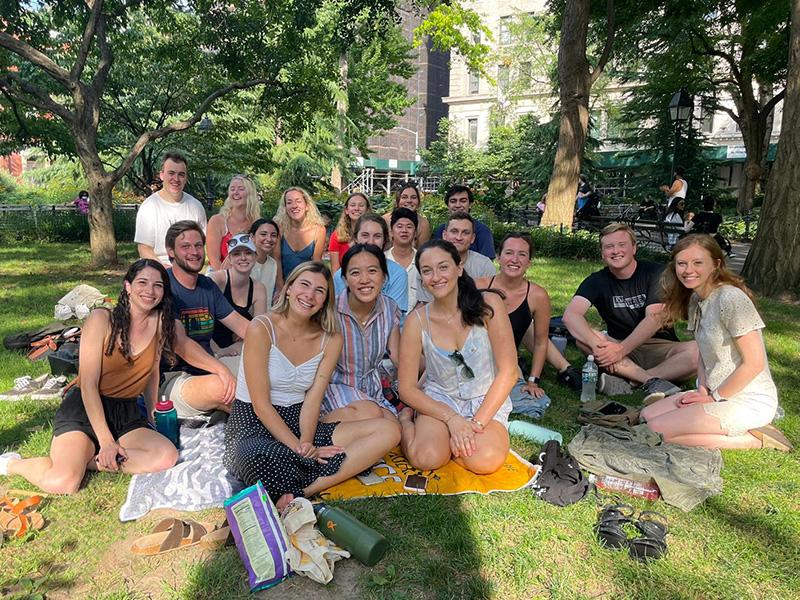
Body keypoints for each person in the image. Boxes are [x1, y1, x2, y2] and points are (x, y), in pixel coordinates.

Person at [223, 262, 401, 510]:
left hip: (300, 420)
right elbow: (261, 406)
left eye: (320, 290)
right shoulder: (261, 328)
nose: (309, 295)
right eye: (304, 285)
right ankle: (314, 471)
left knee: (388, 432)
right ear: (288, 288)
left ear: (326, 300)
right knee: (258, 458)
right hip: (254, 422)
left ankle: (304, 490)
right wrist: (301, 450)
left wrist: (307, 443)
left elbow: (313, 399)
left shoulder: (330, 338)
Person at [0, 260, 179, 494]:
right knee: (63, 482)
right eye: (142, 282)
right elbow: (88, 384)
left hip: (125, 412)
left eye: (158, 285)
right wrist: (106, 441)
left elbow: (152, 373)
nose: (150, 291)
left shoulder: (161, 324)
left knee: (166, 457)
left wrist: (153, 412)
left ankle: (90, 461)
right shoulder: (102, 319)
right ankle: (12, 463)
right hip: (85, 407)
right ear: (127, 286)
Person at [639, 234, 791, 451]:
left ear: (716, 264)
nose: (688, 270)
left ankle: (753, 439)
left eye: (697, 262)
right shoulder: (695, 300)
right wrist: (702, 390)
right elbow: (703, 351)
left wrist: (714, 398)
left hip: (746, 400)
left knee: (656, 431)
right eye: (682, 263)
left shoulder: (731, 299)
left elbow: (755, 364)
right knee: (646, 416)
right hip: (713, 393)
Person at [397, 239, 518, 474]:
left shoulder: (489, 304)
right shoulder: (417, 320)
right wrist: (452, 419)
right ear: (421, 278)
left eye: (443, 267)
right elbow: (407, 389)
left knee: (485, 461)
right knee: (426, 458)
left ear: (459, 268)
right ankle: (406, 421)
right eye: (427, 271)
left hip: (484, 398)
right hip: (441, 400)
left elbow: (509, 372)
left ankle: (452, 445)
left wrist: (475, 424)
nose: (436, 276)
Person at [563, 223, 698, 396]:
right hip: (618, 345)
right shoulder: (596, 281)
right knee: (584, 339)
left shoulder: (656, 272)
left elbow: (655, 318)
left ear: (634, 248)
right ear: (602, 254)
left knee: (698, 351)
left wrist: (621, 350)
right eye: (609, 247)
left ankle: (633, 381)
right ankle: (650, 381)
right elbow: (571, 315)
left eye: (622, 245)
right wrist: (605, 348)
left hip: (659, 346)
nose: (615, 251)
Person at [474, 233, 580, 418]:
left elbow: (540, 342)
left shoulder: (537, 296)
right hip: (473, 360)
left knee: (526, 402)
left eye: (522, 254)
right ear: (499, 257)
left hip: (504, 365)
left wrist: (533, 380)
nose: (514, 259)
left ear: (529, 261)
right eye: (509, 253)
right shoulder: (477, 286)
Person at [160, 220, 248, 417]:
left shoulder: (207, 285)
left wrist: (282, 343)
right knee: (223, 388)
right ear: (171, 251)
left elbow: (243, 327)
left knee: (263, 372)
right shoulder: (163, 285)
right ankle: (269, 433)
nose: (194, 252)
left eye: (198, 245)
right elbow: (180, 343)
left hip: (208, 368)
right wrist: (221, 370)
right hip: (172, 378)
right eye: (185, 246)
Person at [322, 244, 401, 421]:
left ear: (384, 277)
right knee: (374, 420)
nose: (364, 279)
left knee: (394, 427)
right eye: (355, 273)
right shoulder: (329, 311)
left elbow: (397, 357)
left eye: (372, 271)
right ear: (345, 279)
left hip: (373, 391)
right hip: (337, 388)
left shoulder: (389, 308)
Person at [135, 152, 207, 266]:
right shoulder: (149, 207)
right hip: (157, 269)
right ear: (162, 175)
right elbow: (144, 249)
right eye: (171, 173)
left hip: (188, 268)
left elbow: (200, 246)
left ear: (186, 178)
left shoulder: (196, 206)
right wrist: (167, 272)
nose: (176, 179)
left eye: (181, 174)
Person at [332, 214, 408, 314]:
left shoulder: (398, 274)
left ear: (384, 240)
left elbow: (394, 316)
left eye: (377, 236)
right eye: (365, 235)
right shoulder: (340, 275)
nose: (370, 242)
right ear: (355, 238)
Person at [416, 212, 496, 305]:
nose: (459, 237)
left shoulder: (484, 266)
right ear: (444, 235)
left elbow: (490, 304)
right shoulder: (428, 265)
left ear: (472, 238)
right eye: (454, 231)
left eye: (465, 233)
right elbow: (426, 305)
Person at [209, 233, 268, 354]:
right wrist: (218, 351)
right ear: (229, 259)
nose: (243, 258)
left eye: (248, 253)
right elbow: (199, 326)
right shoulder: (217, 280)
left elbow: (259, 328)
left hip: (237, 345)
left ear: (255, 257)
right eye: (237, 254)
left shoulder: (258, 288)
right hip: (209, 345)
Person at [206, 175, 261, 271]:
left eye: (241, 189)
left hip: (251, 276)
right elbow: (214, 260)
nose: (235, 193)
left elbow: (261, 258)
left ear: (250, 194)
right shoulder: (217, 221)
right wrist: (227, 282)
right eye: (232, 189)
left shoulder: (258, 224)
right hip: (220, 275)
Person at [274, 187, 327, 280]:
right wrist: (280, 288)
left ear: (307, 206)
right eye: (289, 202)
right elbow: (276, 260)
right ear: (285, 208)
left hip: (306, 283)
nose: (294, 206)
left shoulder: (319, 230)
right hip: (281, 283)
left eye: (298, 201)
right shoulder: (279, 228)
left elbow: (316, 263)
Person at [432, 185, 495, 259]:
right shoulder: (440, 230)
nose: (458, 205)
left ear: (470, 204)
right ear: (448, 205)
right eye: (453, 201)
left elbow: (487, 261)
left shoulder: (482, 231)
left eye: (463, 201)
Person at [385, 207, 419, 309]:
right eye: (399, 226)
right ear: (391, 232)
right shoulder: (382, 260)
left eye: (409, 227)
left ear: (415, 233)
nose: (404, 230)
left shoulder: (423, 261)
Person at [329, 192, 370, 274]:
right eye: (353, 205)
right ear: (346, 210)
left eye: (361, 205)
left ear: (367, 210)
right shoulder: (337, 236)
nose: (357, 208)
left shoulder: (374, 235)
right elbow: (335, 271)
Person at [382, 183, 431, 247]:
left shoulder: (423, 223)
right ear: (397, 201)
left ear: (418, 202)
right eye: (404, 197)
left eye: (413, 197)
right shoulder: (385, 220)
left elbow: (423, 251)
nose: (409, 200)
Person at [250, 218, 281, 305]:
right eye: (263, 234)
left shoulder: (273, 264)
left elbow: (267, 298)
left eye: (273, 235)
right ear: (252, 237)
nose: (269, 239)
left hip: (263, 316)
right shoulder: (243, 262)